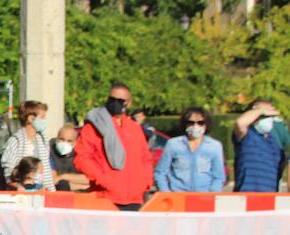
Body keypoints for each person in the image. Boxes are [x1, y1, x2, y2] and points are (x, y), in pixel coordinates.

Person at [73, 82, 153, 210]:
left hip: (134, 199)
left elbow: (145, 159)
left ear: (129, 103)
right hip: (104, 197)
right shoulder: (94, 126)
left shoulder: (134, 128)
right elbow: (81, 158)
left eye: (120, 100)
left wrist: (145, 183)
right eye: (112, 99)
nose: (115, 103)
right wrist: (104, 181)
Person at [154, 108, 226, 193]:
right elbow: (160, 172)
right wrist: (166, 192)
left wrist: (212, 193)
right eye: (191, 123)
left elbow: (219, 176)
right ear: (185, 124)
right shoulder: (173, 144)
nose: (195, 126)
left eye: (200, 123)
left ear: (206, 125)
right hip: (178, 197)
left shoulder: (214, 146)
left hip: (204, 197)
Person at [232, 99, 286, 193]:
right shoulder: (247, 135)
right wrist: (260, 110)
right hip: (245, 196)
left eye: (270, 116)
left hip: (268, 197)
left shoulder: (274, 144)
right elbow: (240, 123)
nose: (268, 119)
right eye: (263, 116)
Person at [0, 101, 54, 191]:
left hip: (41, 191)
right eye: (42, 117)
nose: (45, 120)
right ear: (31, 118)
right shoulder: (15, 141)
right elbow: (8, 173)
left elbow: (46, 171)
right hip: (21, 192)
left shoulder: (42, 140)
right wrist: (19, 187)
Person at [49, 124, 89, 191]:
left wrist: (63, 177)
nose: (65, 143)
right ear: (57, 139)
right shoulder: (49, 148)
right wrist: (80, 185)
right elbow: (53, 181)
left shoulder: (80, 154)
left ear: (75, 142)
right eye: (62, 139)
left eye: (69, 141)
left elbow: (89, 179)